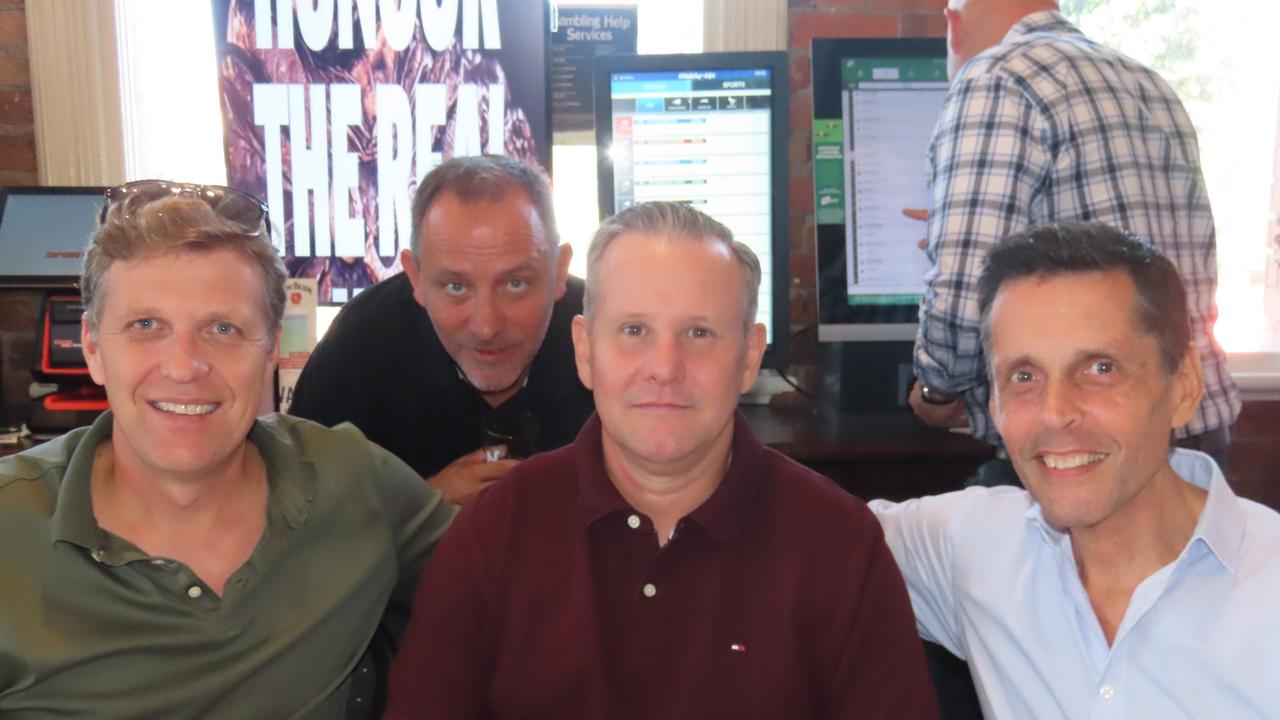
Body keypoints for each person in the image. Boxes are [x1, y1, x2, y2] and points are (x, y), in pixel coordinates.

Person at [382, 202, 940, 719]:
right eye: (634, 331)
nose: (665, 366)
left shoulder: (840, 545)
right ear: (584, 350)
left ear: (748, 357)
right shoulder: (491, 533)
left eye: (699, 332)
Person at [0, 181, 456, 718]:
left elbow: (516, 586)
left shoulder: (354, 481)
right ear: (95, 351)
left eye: (223, 328)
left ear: (271, 350)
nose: (184, 366)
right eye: (146, 326)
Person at [873, 222, 1280, 718]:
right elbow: (798, 531)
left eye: (1100, 368)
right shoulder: (972, 547)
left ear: (1185, 387)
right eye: (1023, 377)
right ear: (995, 406)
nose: (1054, 413)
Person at [908, 0, 1239, 472]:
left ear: (952, 25)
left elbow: (961, 299)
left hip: (1090, 445)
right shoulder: (1146, 80)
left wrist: (936, 389)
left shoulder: (996, 78)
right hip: (1198, 435)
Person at [289, 155, 594, 504]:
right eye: (455, 287)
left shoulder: (609, 340)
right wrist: (420, 508)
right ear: (415, 277)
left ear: (559, 271)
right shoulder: (360, 347)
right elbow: (303, 518)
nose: (486, 327)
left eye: (515, 284)